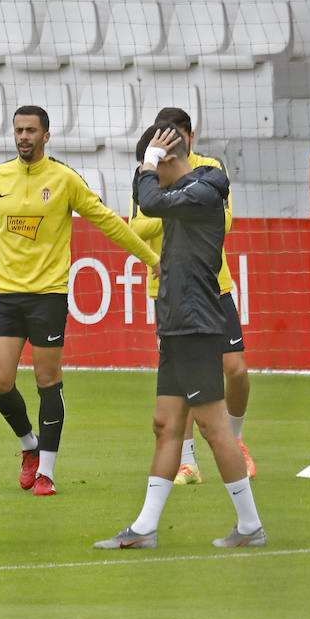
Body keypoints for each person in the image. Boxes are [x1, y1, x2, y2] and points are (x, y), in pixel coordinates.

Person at [95, 124, 266, 550]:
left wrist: (145, 166)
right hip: (177, 322)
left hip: (195, 323)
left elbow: (148, 203)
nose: (153, 176)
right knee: (167, 425)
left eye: (156, 166)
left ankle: (250, 526)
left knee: (212, 426)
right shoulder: (191, 192)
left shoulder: (201, 192)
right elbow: (151, 203)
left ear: (169, 159)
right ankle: (145, 528)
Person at [0, 105, 159, 495]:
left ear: (47, 136)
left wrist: (151, 258)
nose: (23, 136)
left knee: (48, 380)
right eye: (18, 130)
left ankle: (46, 471)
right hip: (6, 294)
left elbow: (107, 220)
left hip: (48, 296)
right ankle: (29, 446)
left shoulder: (63, 179)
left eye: (31, 130)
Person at [127, 106, 255, 486]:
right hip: (167, 288)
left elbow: (225, 219)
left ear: (186, 138)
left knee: (236, 369)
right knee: (177, 387)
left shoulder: (208, 171)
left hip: (215, 284)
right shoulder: (149, 171)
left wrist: (173, 204)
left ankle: (236, 438)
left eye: (178, 133)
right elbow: (137, 222)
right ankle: (187, 462)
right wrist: (175, 209)